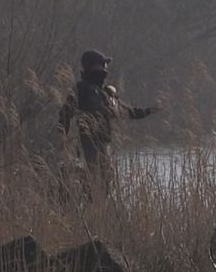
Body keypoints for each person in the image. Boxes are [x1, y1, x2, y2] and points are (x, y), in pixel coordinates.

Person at [58, 49, 162, 197]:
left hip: (102, 144)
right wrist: (63, 135)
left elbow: (126, 112)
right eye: (103, 64)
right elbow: (65, 113)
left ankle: (89, 204)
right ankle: (81, 199)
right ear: (94, 67)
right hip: (88, 143)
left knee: (106, 178)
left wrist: (149, 111)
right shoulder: (82, 89)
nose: (106, 68)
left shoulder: (105, 93)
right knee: (97, 179)